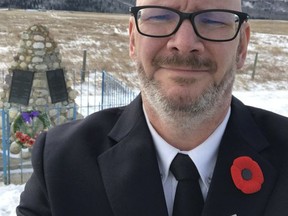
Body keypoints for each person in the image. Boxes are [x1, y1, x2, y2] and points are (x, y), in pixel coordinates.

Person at [17, 0, 288, 215]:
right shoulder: (59, 165)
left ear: (242, 46)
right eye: (159, 16)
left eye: (213, 19)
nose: (183, 43)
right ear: (133, 40)